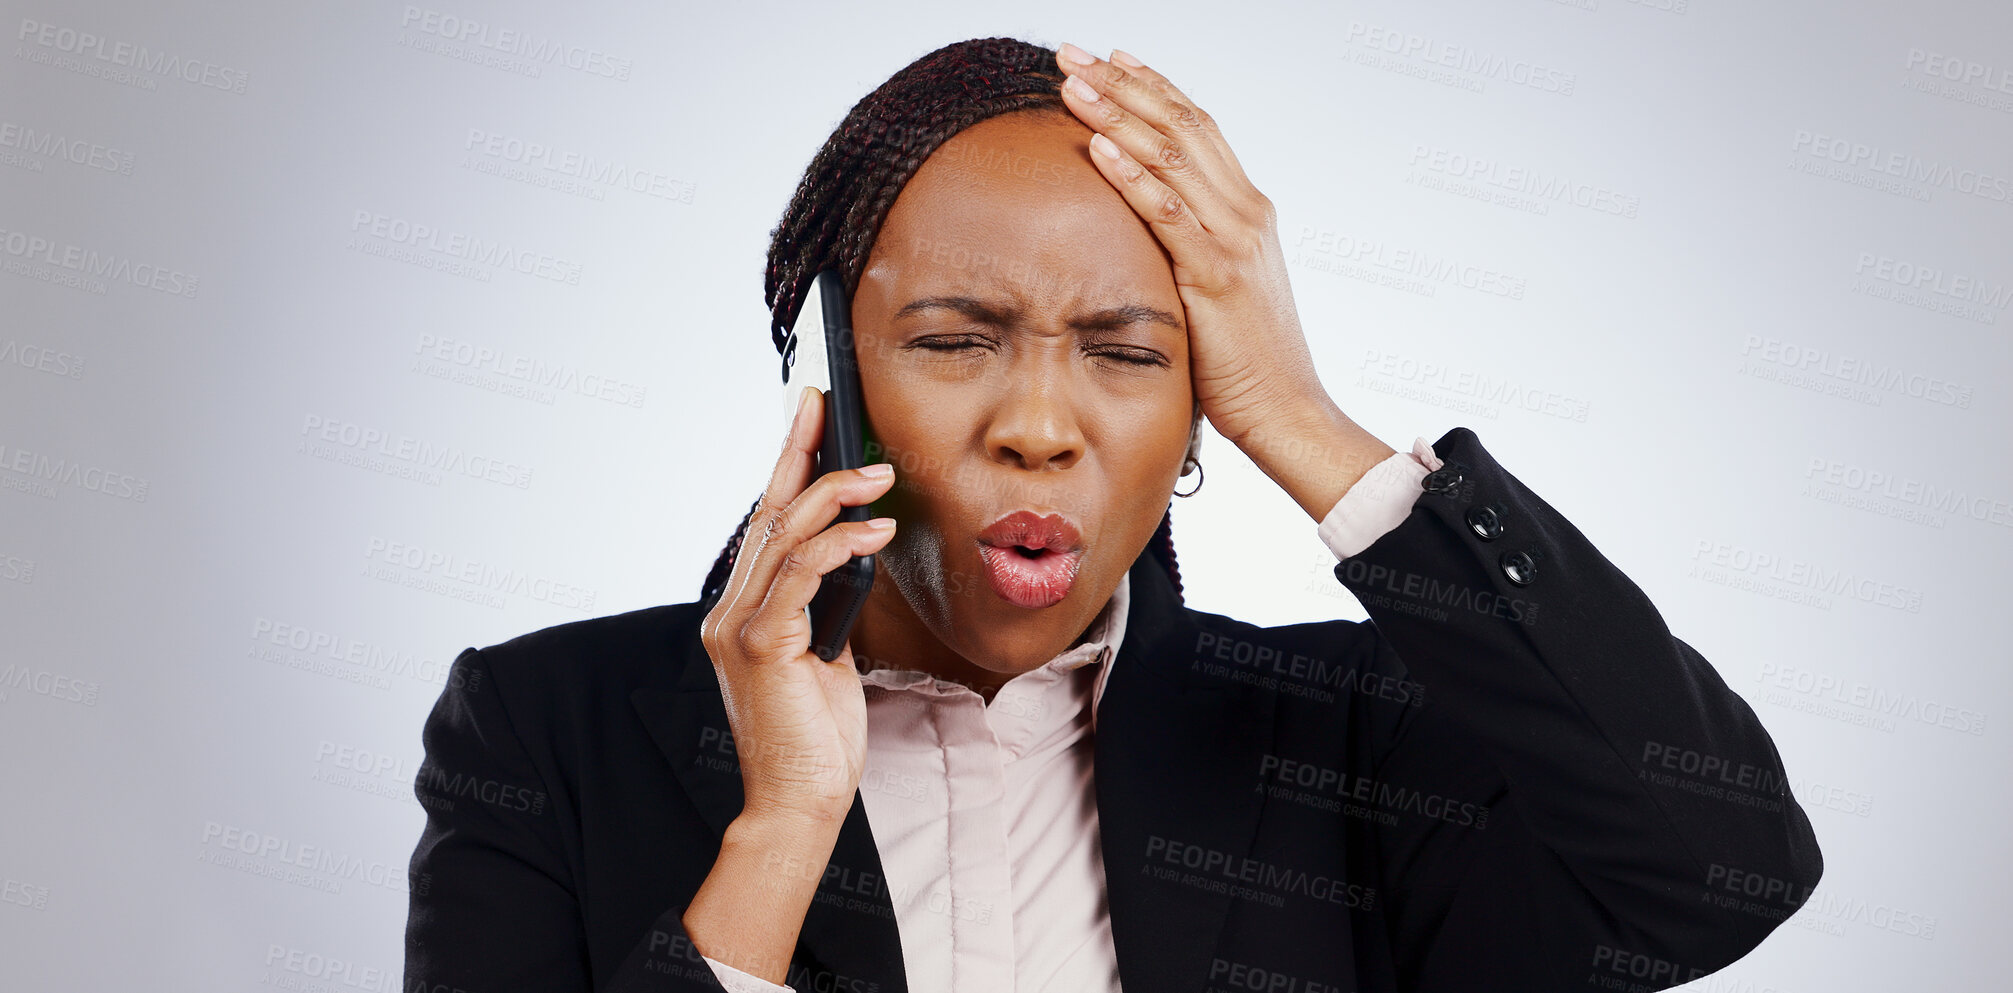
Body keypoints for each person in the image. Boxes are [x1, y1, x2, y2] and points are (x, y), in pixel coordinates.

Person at [403, 37, 1822, 993]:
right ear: (835, 377)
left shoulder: (1355, 739)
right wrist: (778, 828)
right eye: (956, 338)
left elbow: (1720, 866)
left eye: (1130, 353)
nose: (1037, 421)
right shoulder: (546, 726)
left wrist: (1300, 414)